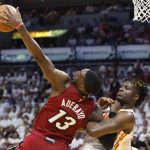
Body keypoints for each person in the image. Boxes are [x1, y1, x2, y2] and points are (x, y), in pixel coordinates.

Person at [0, 7, 104, 150]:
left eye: (80, 74)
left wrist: (20, 27)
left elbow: (40, 58)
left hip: (35, 140)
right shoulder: (93, 110)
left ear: (81, 86)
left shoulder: (64, 83)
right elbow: (89, 128)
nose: (77, 72)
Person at [86, 78, 147, 150]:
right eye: (122, 86)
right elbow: (82, 125)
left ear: (135, 97)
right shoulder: (109, 108)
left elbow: (108, 143)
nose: (120, 89)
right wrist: (98, 107)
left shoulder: (127, 115)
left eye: (126, 88)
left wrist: (110, 113)